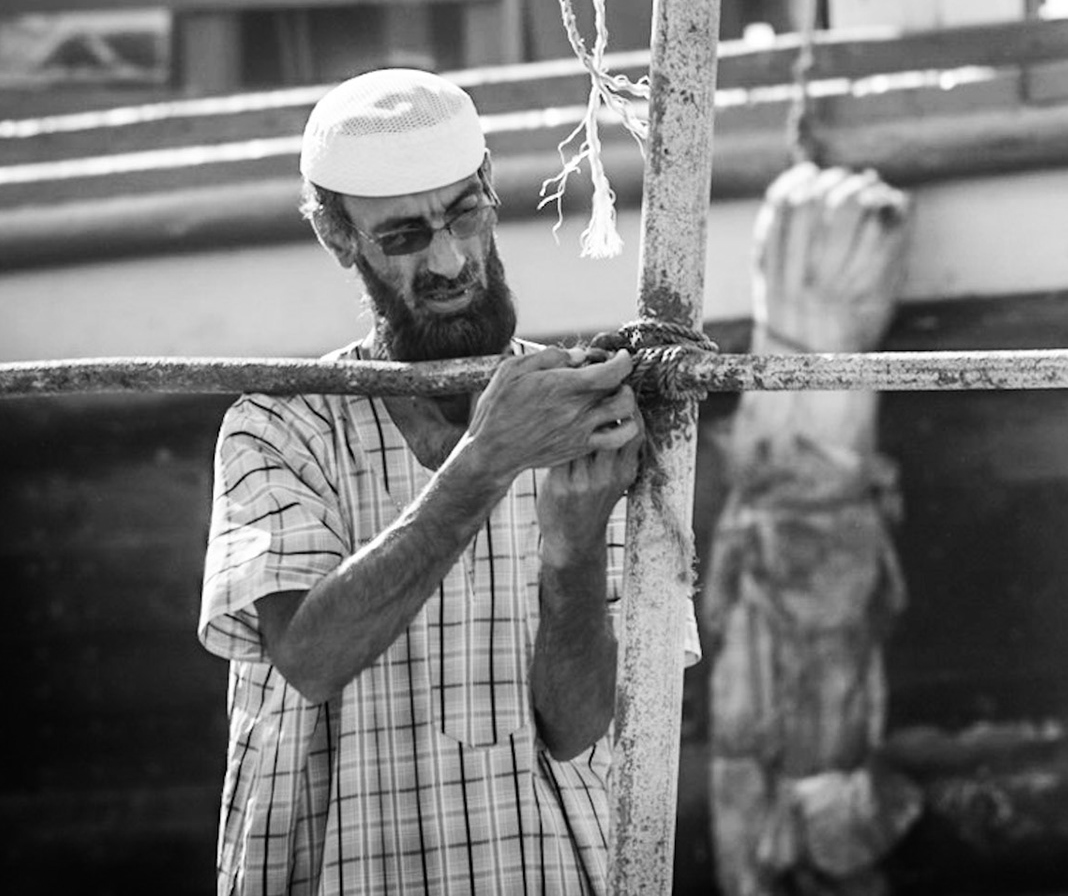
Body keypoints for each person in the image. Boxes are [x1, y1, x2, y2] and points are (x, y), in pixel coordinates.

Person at [197, 67, 695, 895]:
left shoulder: (590, 412)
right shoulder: (280, 424)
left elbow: (579, 731)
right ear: (339, 238)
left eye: (464, 213)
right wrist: (488, 460)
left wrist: (571, 550)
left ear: (492, 189)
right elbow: (312, 657)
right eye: (403, 236)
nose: (450, 257)